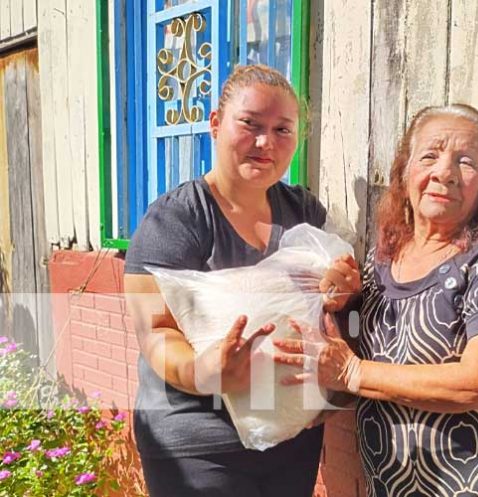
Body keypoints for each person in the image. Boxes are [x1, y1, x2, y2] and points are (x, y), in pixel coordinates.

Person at [275, 103, 478, 497]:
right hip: (390, 484)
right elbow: (360, 361)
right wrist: (341, 300)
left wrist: (352, 372)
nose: (446, 173)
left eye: (467, 162)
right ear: (404, 172)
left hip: (474, 485)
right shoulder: (381, 258)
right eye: (430, 155)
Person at [123, 64, 360, 497]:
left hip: (290, 432)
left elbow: (334, 304)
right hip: (197, 445)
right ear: (215, 124)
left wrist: (340, 291)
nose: (265, 142)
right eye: (250, 124)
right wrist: (204, 372)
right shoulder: (176, 219)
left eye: (282, 130)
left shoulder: (305, 212)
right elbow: (154, 330)